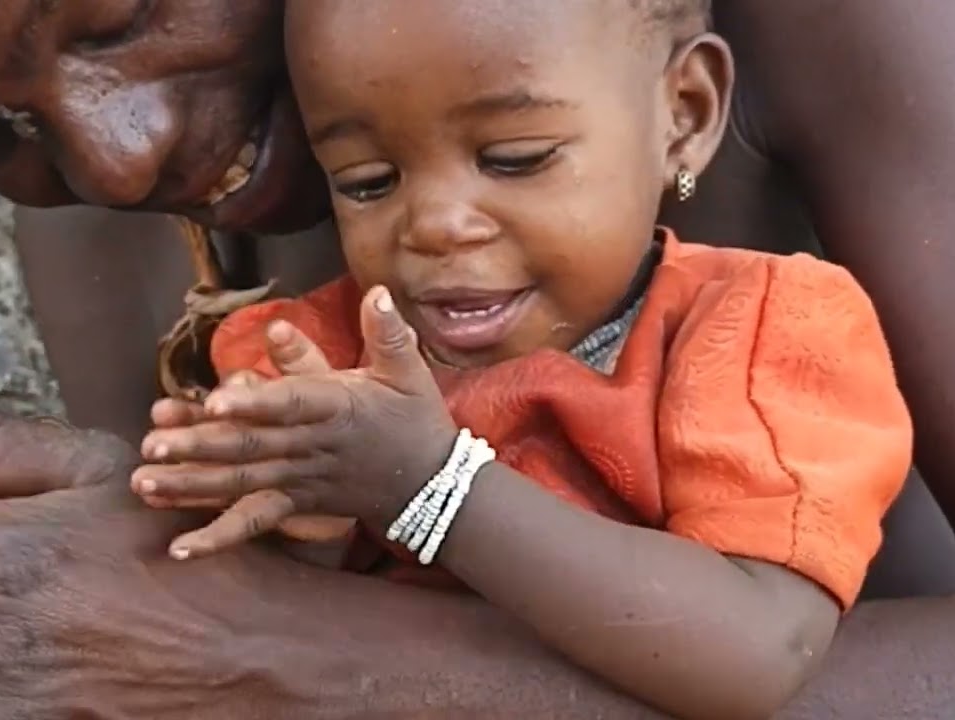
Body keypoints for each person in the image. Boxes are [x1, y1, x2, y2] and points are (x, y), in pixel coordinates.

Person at [0, 0, 955, 717]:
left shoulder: (763, 241)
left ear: (685, 112)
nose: (109, 159)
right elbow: (209, 618)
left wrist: (286, 659)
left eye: (122, 18)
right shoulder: (103, 177)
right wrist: (81, 570)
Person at [127, 5, 912, 716]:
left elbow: (759, 653)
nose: (434, 225)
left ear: (683, 113)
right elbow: (242, 647)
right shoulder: (324, 364)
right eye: (367, 181)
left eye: (514, 157)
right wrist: (303, 516)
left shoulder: (756, 334)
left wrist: (429, 485)